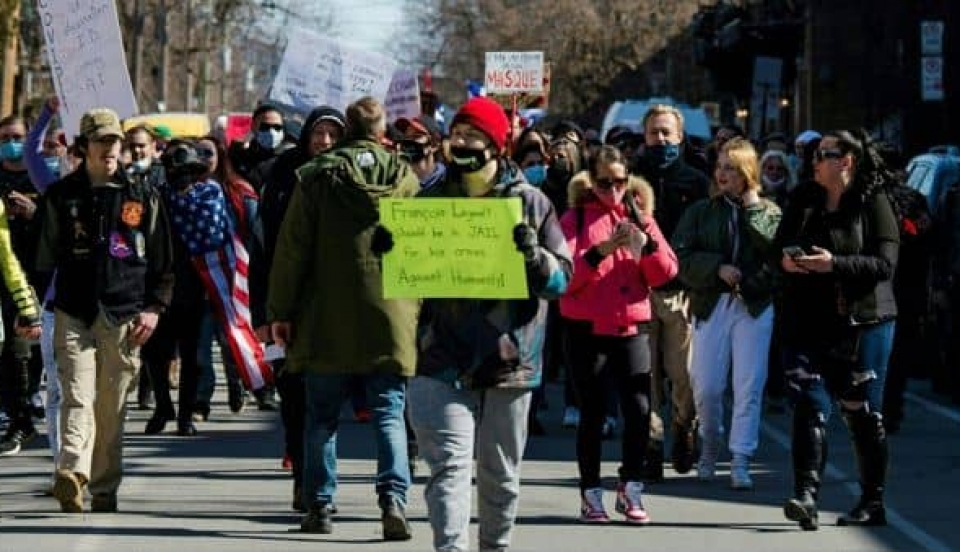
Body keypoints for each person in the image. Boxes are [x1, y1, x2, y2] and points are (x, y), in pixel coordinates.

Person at [409, 96, 572, 551]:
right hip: (439, 357)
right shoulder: (431, 199)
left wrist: (533, 256)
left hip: (508, 359)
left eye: (473, 137)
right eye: (456, 135)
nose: (460, 144)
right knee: (447, 468)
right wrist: (389, 248)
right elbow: (404, 277)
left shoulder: (531, 203)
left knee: (499, 477)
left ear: (496, 146)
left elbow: (562, 279)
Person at [267, 97, 420, 540]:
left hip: (325, 314)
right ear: (380, 129)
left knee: (321, 417)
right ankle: (393, 500)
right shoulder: (405, 177)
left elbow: (292, 249)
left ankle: (320, 505)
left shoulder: (316, 177)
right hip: (390, 313)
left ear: (345, 128)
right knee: (390, 412)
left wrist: (280, 310)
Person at [35, 108, 174, 513]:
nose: (111, 149)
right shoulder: (62, 195)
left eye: (116, 141)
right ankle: (72, 473)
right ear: (84, 147)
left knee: (110, 405)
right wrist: (46, 304)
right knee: (76, 395)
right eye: (102, 141)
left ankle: (103, 487)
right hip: (73, 310)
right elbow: (43, 257)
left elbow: (163, 259)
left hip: (125, 312)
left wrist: (154, 308)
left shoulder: (140, 194)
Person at [777, 130, 898, 530]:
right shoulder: (803, 198)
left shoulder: (872, 200)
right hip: (810, 317)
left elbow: (883, 265)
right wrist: (789, 261)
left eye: (823, 154)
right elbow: (782, 244)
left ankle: (872, 501)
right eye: (814, 154)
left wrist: (835, 265)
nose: (814, 160)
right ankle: (806, 495)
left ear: (846, 161)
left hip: (864, 321)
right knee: (810, 401)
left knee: (860, 411)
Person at [559, 145, 677, 523]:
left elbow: (666, 273)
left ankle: (631, 486)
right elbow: (566, 279)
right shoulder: (575, 218)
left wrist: (645, 248)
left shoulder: (641, 215)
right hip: (587, 328)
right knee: (592, 413)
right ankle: (591, 491)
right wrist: (603, 250)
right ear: (591, 182)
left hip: (631, 326)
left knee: (640, 410)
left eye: (620, 182)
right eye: (605, 182)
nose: (613, 190)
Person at [671, 138, 781, 489]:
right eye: (720, 167)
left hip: (753, 305)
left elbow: (777, 255)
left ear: (748, 173)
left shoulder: (769, 212)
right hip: (711, 303)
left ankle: (741, 459)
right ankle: (710, 446)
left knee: (749, 384)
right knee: (707, 386)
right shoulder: (701, 212)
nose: (723, 174)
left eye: (731, 168)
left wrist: (751, 208)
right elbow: (681, 258)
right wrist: (717, 268)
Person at [251, 105, 346, 513]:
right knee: (293, 394)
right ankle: (302, 478)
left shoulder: (348, 174)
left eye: (332, 134)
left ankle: (318, 485)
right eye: (318, 133)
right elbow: (261, 246)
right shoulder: (283, 174)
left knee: (324, 399)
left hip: (332, 309)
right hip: (283, 308)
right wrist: (261, 314)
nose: (324, 142)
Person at [634, 104, 711, 481]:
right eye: (653, 133)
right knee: (645, 376)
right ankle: (651, 442)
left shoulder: (696, 182)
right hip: (638, 291)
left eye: (666, 133)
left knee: (682, 374)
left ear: (680, 138)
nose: (660, 139)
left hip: (680, 293)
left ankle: (684, 428)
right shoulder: (631, 181)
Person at [0, 114, 45, 457]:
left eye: (17, 136)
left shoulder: (40, 174)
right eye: (4, 137)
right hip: (2, 271)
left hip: (29, 275)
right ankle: (17, 414)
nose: (10, 142)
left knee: (21, 349)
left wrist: (33, 212)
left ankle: (23, 414)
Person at [396, 115, 446, 191]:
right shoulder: (398, 185)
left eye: (416, 136)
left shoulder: (449, 182)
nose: (408, 141)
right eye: (406, 137)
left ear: (434, 145)